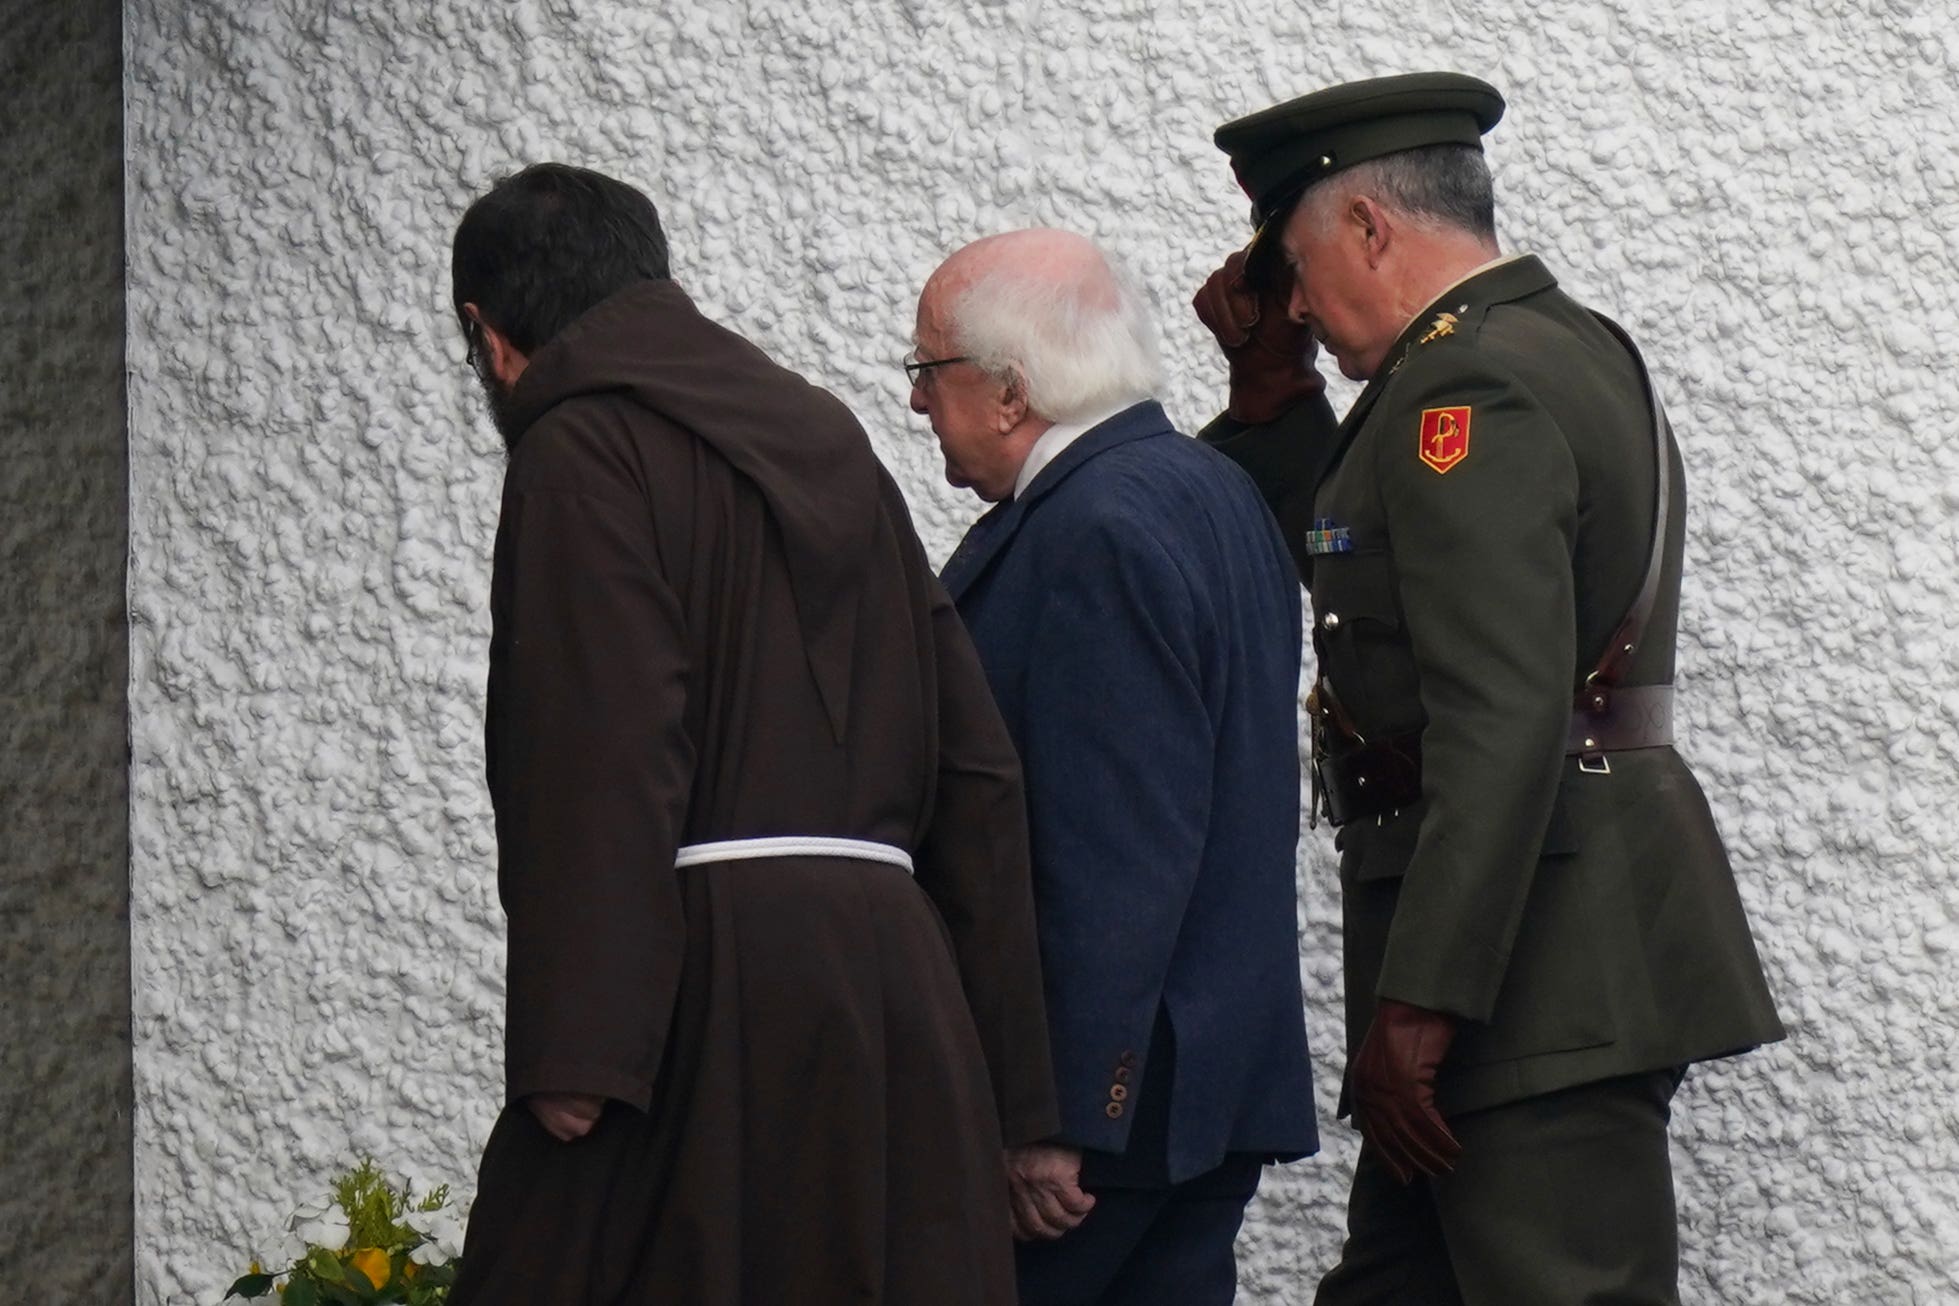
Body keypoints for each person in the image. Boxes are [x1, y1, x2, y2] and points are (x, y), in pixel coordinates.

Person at [1192, 73, 1786, 1303]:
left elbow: (1501, 713)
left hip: (1522, 976)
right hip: (1524, 950)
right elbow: (1367, 560)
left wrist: (1424, 999)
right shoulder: (1550, 344)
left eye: (1295, 268)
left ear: (1367, 228)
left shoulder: (1462, 391)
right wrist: (1273, 400)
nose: (1293, 303)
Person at [445, 163, 1058, 1305]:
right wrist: (1015, 1091)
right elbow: (975, 766)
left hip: (703, 984)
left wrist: (576, 1050)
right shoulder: (828, 438)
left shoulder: (581, 447)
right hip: (891, 989)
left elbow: (600, 752)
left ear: (490, 334)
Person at [910, 228, 1319, 1306]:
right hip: (1200, 1090)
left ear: (1007, 390)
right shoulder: (1209, 488)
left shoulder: (1094, 526)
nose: (915, 404)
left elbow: (1116, 848)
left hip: (1105, 1130)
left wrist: (1061, 1117)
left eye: (926, 370)